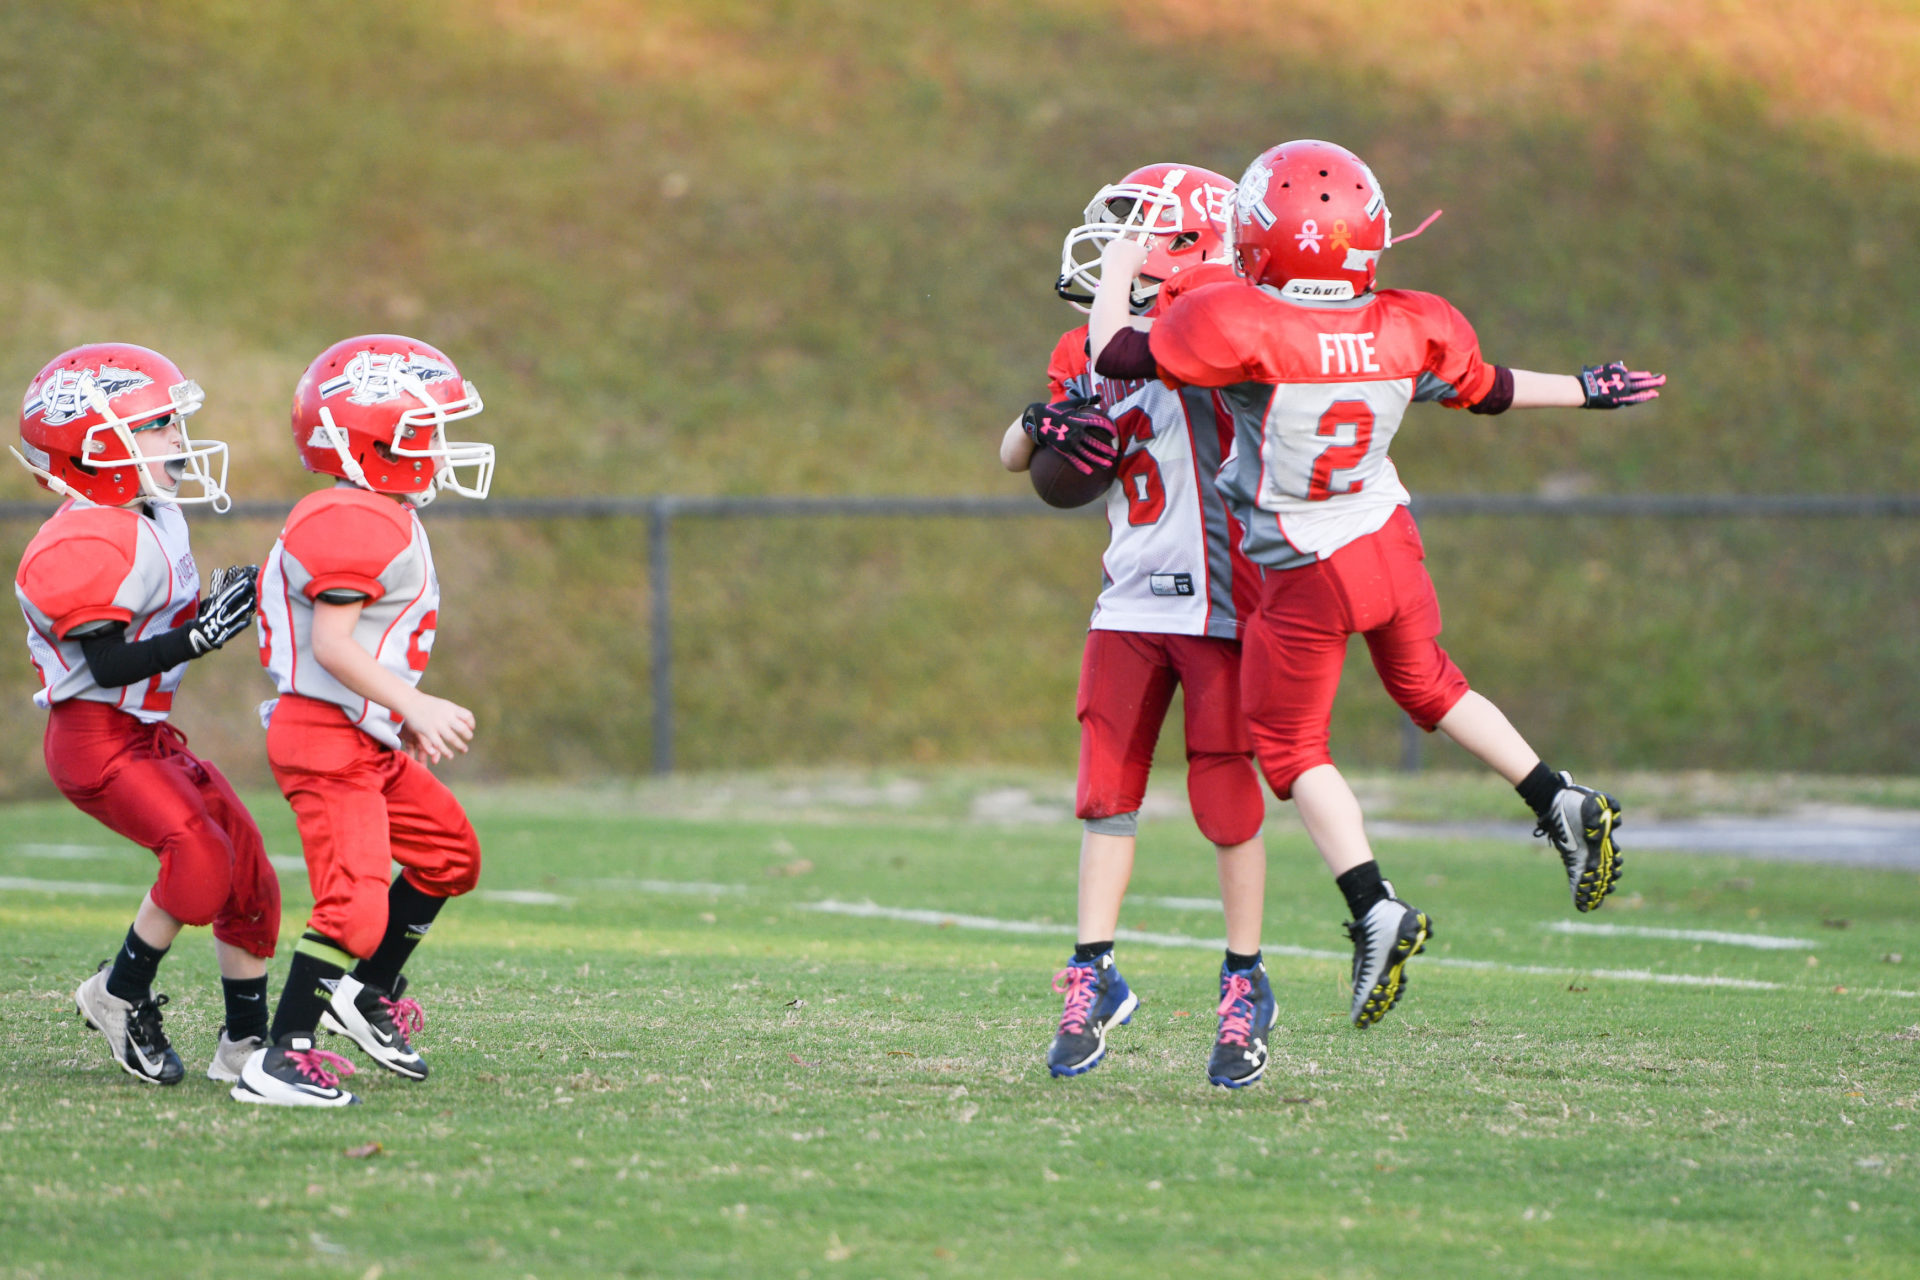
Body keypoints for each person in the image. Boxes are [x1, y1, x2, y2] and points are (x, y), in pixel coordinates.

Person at [1087, 140, 1662, 1029]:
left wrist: (1118, 271)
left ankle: (1372, 904)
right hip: (1390, 539)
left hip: (1305, 568)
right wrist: (1587, 389)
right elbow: (1490, 388)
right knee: (1431, 683)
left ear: (1262, 237)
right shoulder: (1408, 322)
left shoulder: (1238, 321)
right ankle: (1556, 796)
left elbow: (1117, 357)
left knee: (1289, 749)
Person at [1002, 164, 1278, 1087]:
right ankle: (1094, 969)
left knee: (1225, 798)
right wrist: (1045, 424)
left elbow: (1156, 354)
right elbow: (1022, 454)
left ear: (1194, 242)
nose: (1119, 243)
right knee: (1105, 788)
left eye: (1142, 229)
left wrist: (1133, 295)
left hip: (1221, 601)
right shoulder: (1082, 343)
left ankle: (1246, 982)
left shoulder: (1219, 330)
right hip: (1127, 597)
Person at [231, 334, 494, 1107]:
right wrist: (412, 701)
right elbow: (332, 643)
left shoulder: (379, 508)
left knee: (450, 854)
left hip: (358, 730)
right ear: (367, 435)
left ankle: (364, 991)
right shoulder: (351, 517)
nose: (441, 445)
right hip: (324, 736)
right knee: (355, 899)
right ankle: (280, 1055)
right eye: (425, 429)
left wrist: (392, 712)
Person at [10, 342, 276, 1085]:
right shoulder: (81, 538)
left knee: (250, 875)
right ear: (97, 446)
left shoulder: (150, 509)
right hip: (94, 740)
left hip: (148, 735)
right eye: (159, 423)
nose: (177, 439)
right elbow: (106, 664)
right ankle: (118, 995)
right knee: (199, 861)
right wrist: (197, 635)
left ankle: (246, 1049)